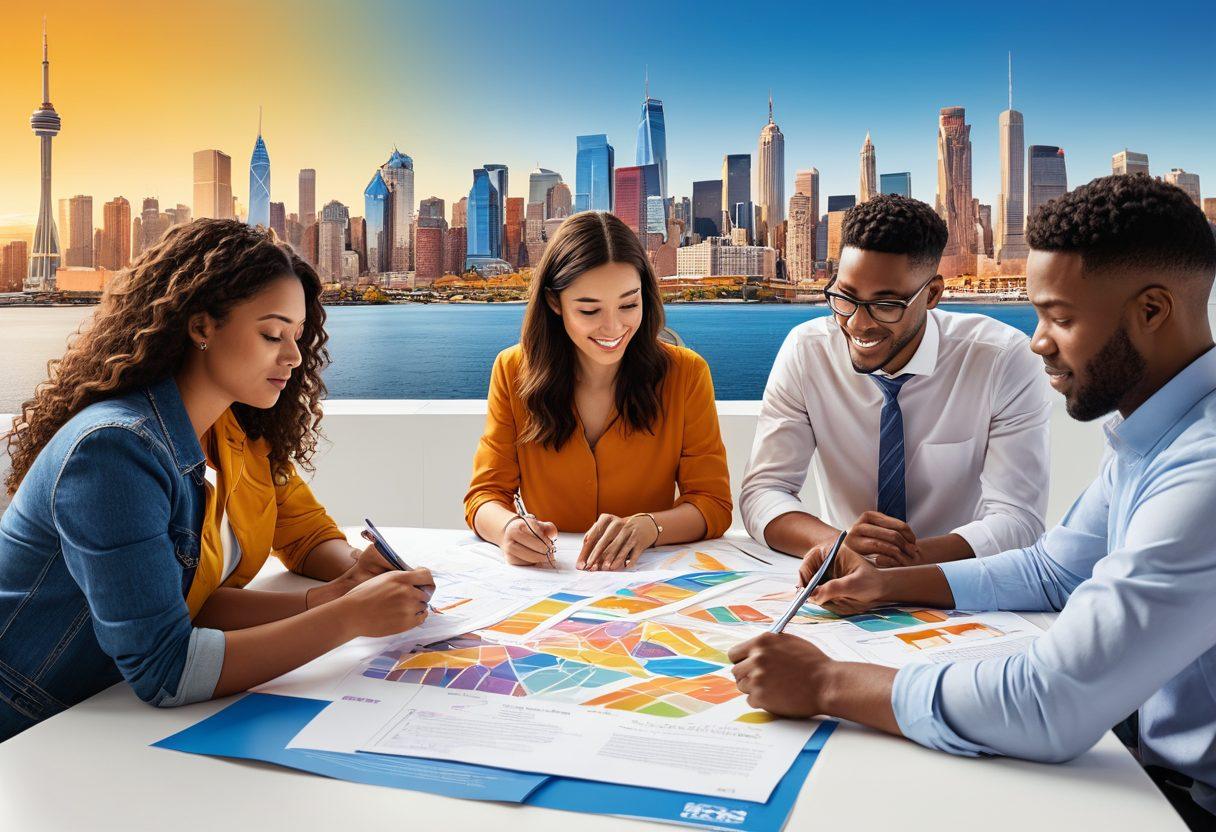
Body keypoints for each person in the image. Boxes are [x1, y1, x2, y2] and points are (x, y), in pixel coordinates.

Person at [728, 175, 1216, 828]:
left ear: (1152, 311)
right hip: (1139, 753)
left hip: (1191, 800)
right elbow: (1054, 572)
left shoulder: (1202, 472)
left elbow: (1051, 704)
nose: (1039, 341)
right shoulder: (1157, 433)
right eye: (1040, 316)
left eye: (1061, 319)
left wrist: (824, 683)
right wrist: (887, 584)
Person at [0, 219, 433, 741]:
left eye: (298, 337)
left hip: (104, 715)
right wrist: (348, 618)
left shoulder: (230, 430)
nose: (294, 358)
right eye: (273, 334)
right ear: (201, 327)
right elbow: (167, 671)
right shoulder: (113, 452)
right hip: (31, 720)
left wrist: (345, 591)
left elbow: (200, 595)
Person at [739, 193, 1050, 567]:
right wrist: (839, 548)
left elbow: (1019, 520)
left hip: (953, 580)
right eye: (845, 297)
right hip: (844, 576)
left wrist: (892, 567)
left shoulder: (1002, 359)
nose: (857, 323)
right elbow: (763, 491)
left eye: (886, 305)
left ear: (932, 293)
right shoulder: (808, 351)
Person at [465, 211, 732, 571]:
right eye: (589, 310)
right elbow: (484, 497)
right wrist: (508, 529)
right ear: (554, 303)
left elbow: (713, 504)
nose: (614, 327)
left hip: (643, 578)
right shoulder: (512, 370)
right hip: (549, 578)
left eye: (629, 305)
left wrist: (647, 528)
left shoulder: (687, 373)